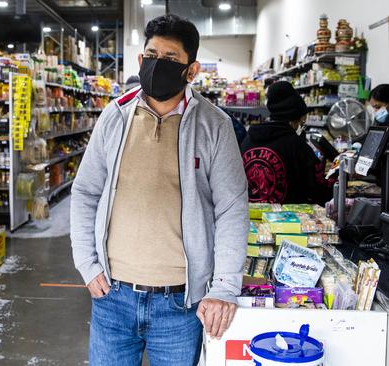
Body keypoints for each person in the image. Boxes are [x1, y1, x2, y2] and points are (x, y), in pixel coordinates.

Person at [70, 14, 248, 366]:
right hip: (112, 297)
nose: (157, 65)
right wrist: (87, 265)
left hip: (180, 305)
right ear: (140, 60)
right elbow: (86, 192)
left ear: (191, 70)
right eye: (152, 55)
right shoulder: (114, 116)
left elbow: (231, 208)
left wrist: (225, 288)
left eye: (169, 59)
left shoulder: (214, 125)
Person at [240, 81, 332, 205]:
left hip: (250, 216)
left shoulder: (248, 140)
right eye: (301, 121)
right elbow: (318, 191)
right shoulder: (297, 145)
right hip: (286, 221)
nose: (301, 125)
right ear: (293, 119)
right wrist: (338, 176)